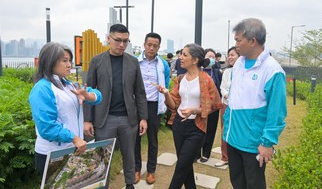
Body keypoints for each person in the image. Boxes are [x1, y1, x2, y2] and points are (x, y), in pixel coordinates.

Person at [223, 18, 287, 188]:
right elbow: (234, 101)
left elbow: (277, 112)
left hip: (253, 144)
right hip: (232, 139)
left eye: (238, 40)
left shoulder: (272, 70)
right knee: (237, 182)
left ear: (252, 41)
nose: (235, 44)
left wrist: (267, 143)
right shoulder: (238, 65)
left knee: (254, 184)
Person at [83, 24, 148, 189]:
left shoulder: (132, 62)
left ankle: (129, 184)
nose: (122, 45)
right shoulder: (97, 61)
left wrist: (143, 118)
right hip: (104, 118)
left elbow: (140, 92)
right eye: (118, 40)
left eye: (125, 41)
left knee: (129, 155)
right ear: (108, 38)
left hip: (128, 118)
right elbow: (88, 91)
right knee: (103, 156)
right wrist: (87, 120)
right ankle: (102, 185)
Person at [29, 42, 102, 175]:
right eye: (64, 61)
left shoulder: (69, 85)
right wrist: (74, 138)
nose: (69, 65)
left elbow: (98, 96)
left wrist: (87, 95)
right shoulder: (42, 89)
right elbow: (47, 127)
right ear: (50, 62)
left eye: (70, 60)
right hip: (52, 154)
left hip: (74, 148)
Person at [157, 43, 222, 189]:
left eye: (185, 55)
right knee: (185, 165)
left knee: (181, 167)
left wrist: (195, 110)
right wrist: (166, 93)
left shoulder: (206, 79)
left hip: (196, 128)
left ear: (195, 60)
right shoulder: (180, 78)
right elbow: (173, 105)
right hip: (179, 125)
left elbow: (215, 105)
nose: (180, 57)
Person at [135, 32, 170, 184]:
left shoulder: (163, 64)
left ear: (158, 47)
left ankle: (151, 170)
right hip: (137, 104)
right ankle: (136, 169)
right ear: (144, 45)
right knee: (135, 138)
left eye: (155, 46)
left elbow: (166, 82)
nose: (151, 48)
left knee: (153, 139)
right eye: (149, 45)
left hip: (154, 104)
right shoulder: (135, 62)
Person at [215, 46, 239, 167]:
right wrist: (226, 94)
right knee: (225, 130)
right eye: (229, 55)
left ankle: (236, 158)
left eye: (232, 55)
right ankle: (225, 157)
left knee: (237, 131)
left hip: (239, 107)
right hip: (226, 104)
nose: (230, 57)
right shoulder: (227, 72)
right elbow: (222, 87)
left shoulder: (245, 72)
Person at [197, 48, 222, 163]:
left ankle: (206, 153)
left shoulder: (217, 72)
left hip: (213, 107)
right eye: (209, 56)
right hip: (199, 106)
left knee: (211, 130)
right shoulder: (198, 71)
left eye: (213, 57)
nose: (211, 59)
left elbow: (220, 88)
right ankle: (196, 152)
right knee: (198, 129)